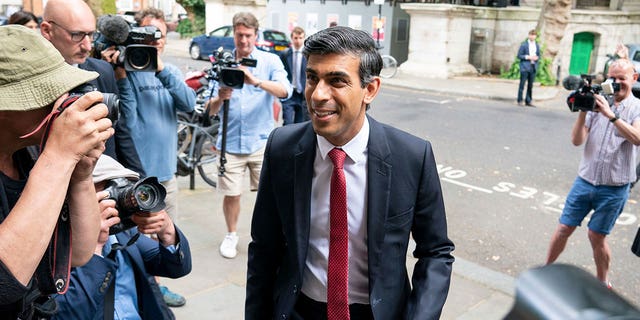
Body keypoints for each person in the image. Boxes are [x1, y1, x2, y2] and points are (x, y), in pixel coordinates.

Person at [245, 26, 455, 320]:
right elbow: (264, 249)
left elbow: (436, 252)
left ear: (370, 89)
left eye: (336, 81)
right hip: (299, 311)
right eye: (311, 78)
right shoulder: (282, 148)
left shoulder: (412, 156)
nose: (318, 95)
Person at [0, 25, 108, 319]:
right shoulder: (49, 157)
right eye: (46, 93)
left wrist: (81, 175)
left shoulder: (31, 153)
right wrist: (59, 158)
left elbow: (80, 254)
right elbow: (3, 286)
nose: (61, 102)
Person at [100, 7, 196, 307]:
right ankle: (143, 290)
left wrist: (161, 67)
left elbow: (189, 103)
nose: (153, 42)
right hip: (134, 176)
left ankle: (157, 288)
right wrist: (122, 75)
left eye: (159, 36)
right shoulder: (126, 70)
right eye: (146, 35)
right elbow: (124, 118)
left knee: (165, 235)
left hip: (166, 173)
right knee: (133, 239)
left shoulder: (170, 71)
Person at [52, 155, 192, 320]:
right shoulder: (52, 249)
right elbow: (69, 313)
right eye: (109, 189)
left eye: (123, 185)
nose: (118, 198)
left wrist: (167, 231)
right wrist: (94, 245)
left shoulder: (124, 234)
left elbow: (178, 268)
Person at [203, 12, 291, 259]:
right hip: (229, 143)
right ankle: (231, 234)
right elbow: (208, 111)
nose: (243, 41)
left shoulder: (269, 61)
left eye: (248, 35)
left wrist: (256, 82)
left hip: (261, 142)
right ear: (234, 33)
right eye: (239, 35)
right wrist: (220, 98)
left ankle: (273, 236)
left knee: (270, 194)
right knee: (232, 193)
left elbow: (286, 90)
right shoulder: (222, 62)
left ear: (256, 35)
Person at [545, 58, 640, 288]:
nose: (616, 83)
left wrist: (611, 115)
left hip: (614, 188)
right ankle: (546, 271)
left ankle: (602, 281)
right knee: (563, 228)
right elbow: (577, 141)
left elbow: (637, 138)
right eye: (612, 78)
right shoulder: (597, 102)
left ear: (634, 78)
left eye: (622, 79)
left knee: (596, 236)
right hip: (585, 181)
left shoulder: (637, 107)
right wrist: (583, 109)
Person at [41, 0, 145, 176]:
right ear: (47, 30)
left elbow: (120, 131)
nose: (87, 46)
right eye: (77, 35)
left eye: (91, 34)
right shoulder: (29, 80)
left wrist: (140, 181)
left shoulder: (102, 71)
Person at [280, 26, 309, 125]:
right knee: (287, 122)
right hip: (290, 93)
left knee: (299, 124)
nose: (298, 41)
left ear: (304, 38)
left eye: (301, 38)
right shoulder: (284, 54)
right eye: (296, 38)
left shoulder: (307, 54)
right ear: (292, 38)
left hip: (303, 95)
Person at [516, 29, 540, 107]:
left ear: (536, 36)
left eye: (534, 35)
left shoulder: (537, 45)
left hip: (533, 67)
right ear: (528, 35)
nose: (532, 36)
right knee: (522, 84)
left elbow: (539, 55)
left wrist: (537, 58)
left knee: (530, 85)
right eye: (531, 35)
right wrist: (528, 57)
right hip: (525, 67)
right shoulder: (524, 45)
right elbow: (519, 55)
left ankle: (528, 101)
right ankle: (520, 100)